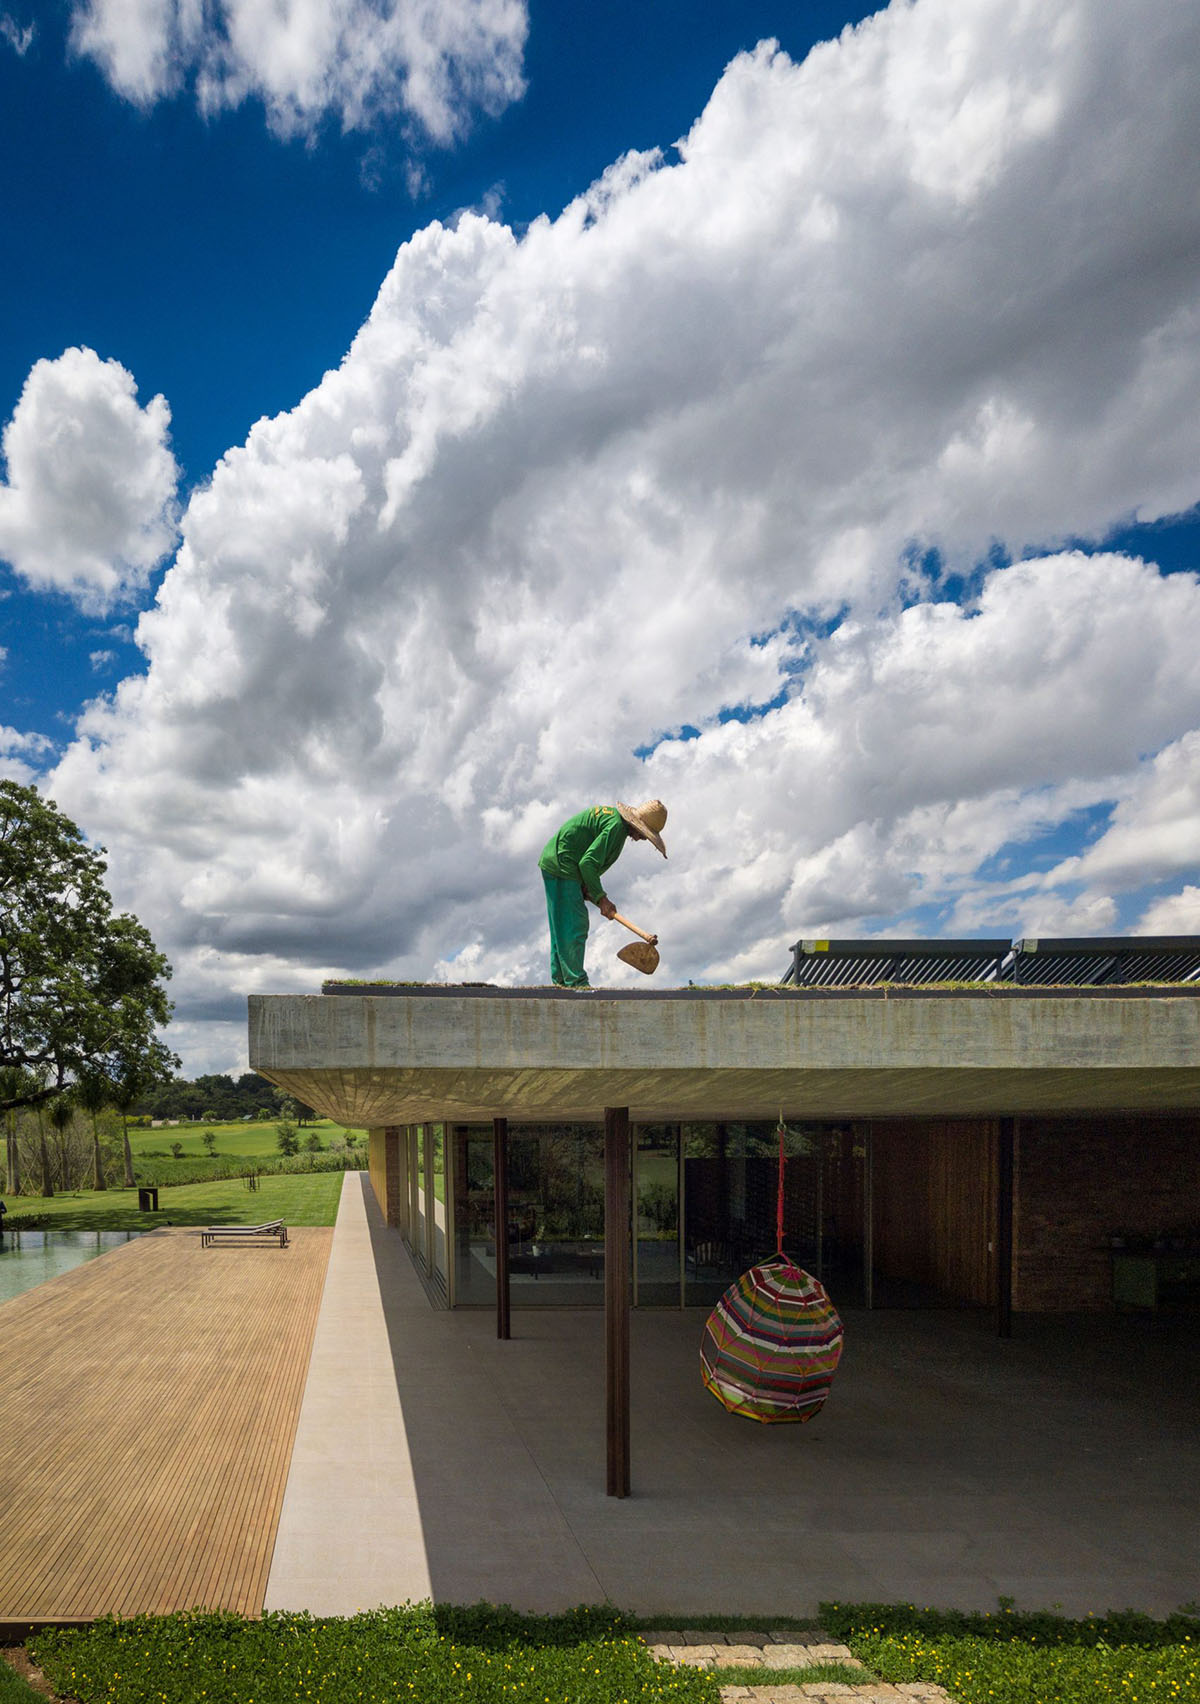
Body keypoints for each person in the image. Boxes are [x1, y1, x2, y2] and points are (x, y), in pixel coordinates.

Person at [538, 800, 667, 988]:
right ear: (637, 826)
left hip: (560, 862)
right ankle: (576, 982)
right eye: (644, 834)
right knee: (574, 924)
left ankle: (561, 981)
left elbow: (588, 863)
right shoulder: (616, 828)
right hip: (563, 864)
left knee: (562, 925)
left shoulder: (615, 823)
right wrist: (601, 898)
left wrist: (587, 888)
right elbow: (588, 863)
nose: (643, 839)